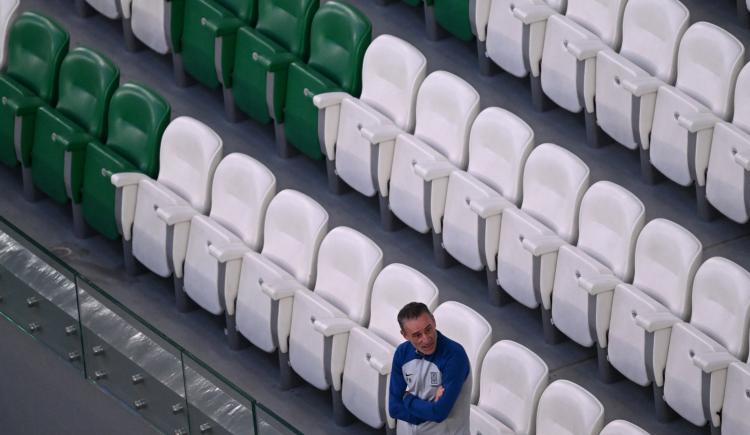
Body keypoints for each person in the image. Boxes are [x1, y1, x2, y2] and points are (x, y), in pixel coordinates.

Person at [388, 302, 471, 435]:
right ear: (405, 335)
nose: (426, 339)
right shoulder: (401, 353)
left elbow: (440, 413)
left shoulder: (455, 356)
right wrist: (430, 410)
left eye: (428, 329)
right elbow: (393, 408)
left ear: (434, 321)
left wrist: (406, 399)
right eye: (417, 335)